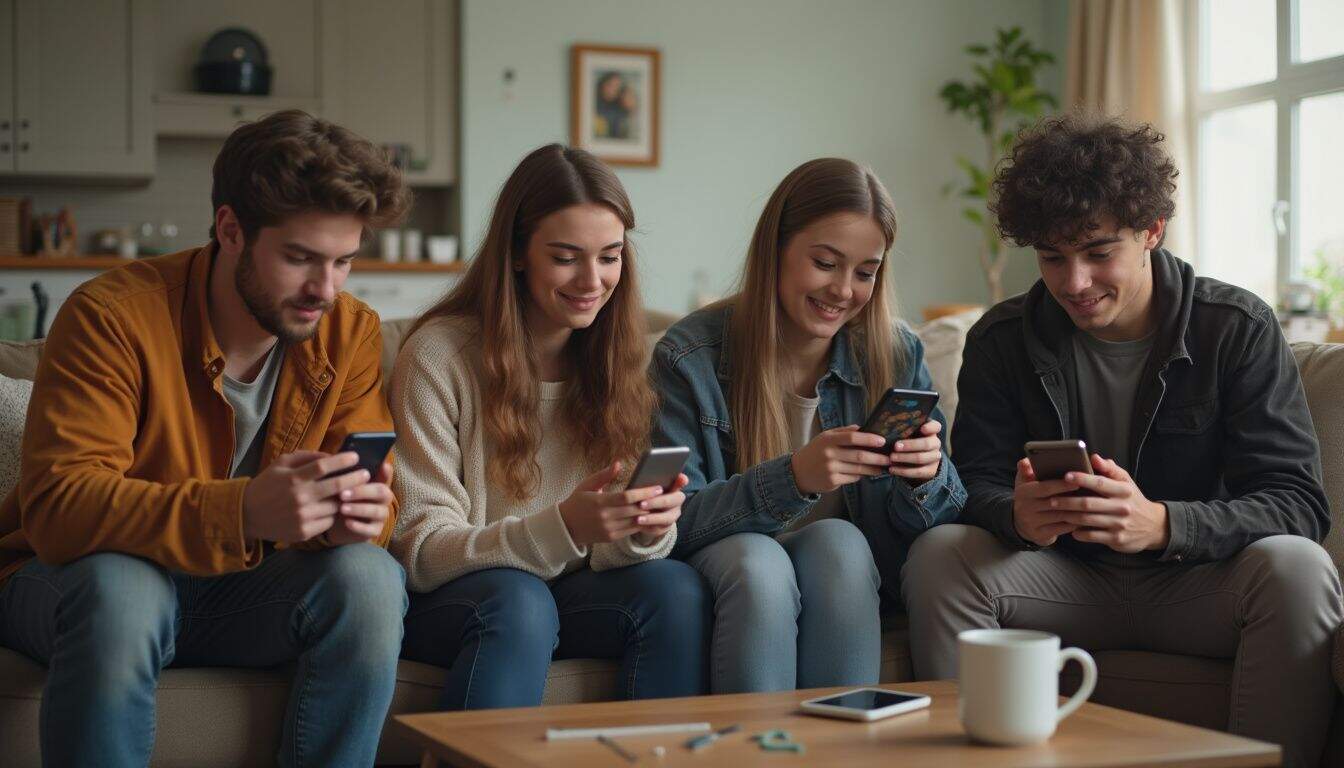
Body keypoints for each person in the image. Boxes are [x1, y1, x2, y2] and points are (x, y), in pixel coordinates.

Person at [902, 113, 1343, 768]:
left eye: (1098, 252)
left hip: (1199, 584)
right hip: (1064, 579)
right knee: (943, 553)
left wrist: (1165, 524)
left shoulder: (1236, 328)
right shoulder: (1002, 338)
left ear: (1152, 233)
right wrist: (1015, 515)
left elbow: (1296, 504)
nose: (1074, 282)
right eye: (1053, 258)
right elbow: (971, 490)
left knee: (1299, 568)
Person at [0, 109, 412, 766]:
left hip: (238, 590)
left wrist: (359, 518)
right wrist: (244, 509)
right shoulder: (112, 315)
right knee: (123, 592)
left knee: (369, 578)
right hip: (78, 581)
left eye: (343, 262)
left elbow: (372, 496)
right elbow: (57, 507)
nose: (324, 289)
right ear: (231, 231)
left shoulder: (351, 331)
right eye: (300, 258)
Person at [390, 143, 709, 709]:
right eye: (566, 257)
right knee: (519, 599)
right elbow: (420, 551)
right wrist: (562, 526)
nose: (592, 280)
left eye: (610, 256)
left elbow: (606, 550)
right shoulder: (438, 356)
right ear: (516, 253)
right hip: (466, 600)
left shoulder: (621, 360)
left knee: (675, 588)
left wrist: (638, 528)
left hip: (566, 592)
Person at [651, 158, 965, 693]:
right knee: (759, 561)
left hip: (847, 563)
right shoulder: (691, 357)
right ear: (776, 249)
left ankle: (845, 748)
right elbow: (668, 525)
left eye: (865, 272)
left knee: (839, 542)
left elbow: (948, 515)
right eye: (825, 263)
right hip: (735, 563)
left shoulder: (892, 352)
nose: (844, 290)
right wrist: (793, 477)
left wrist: (926, 476)